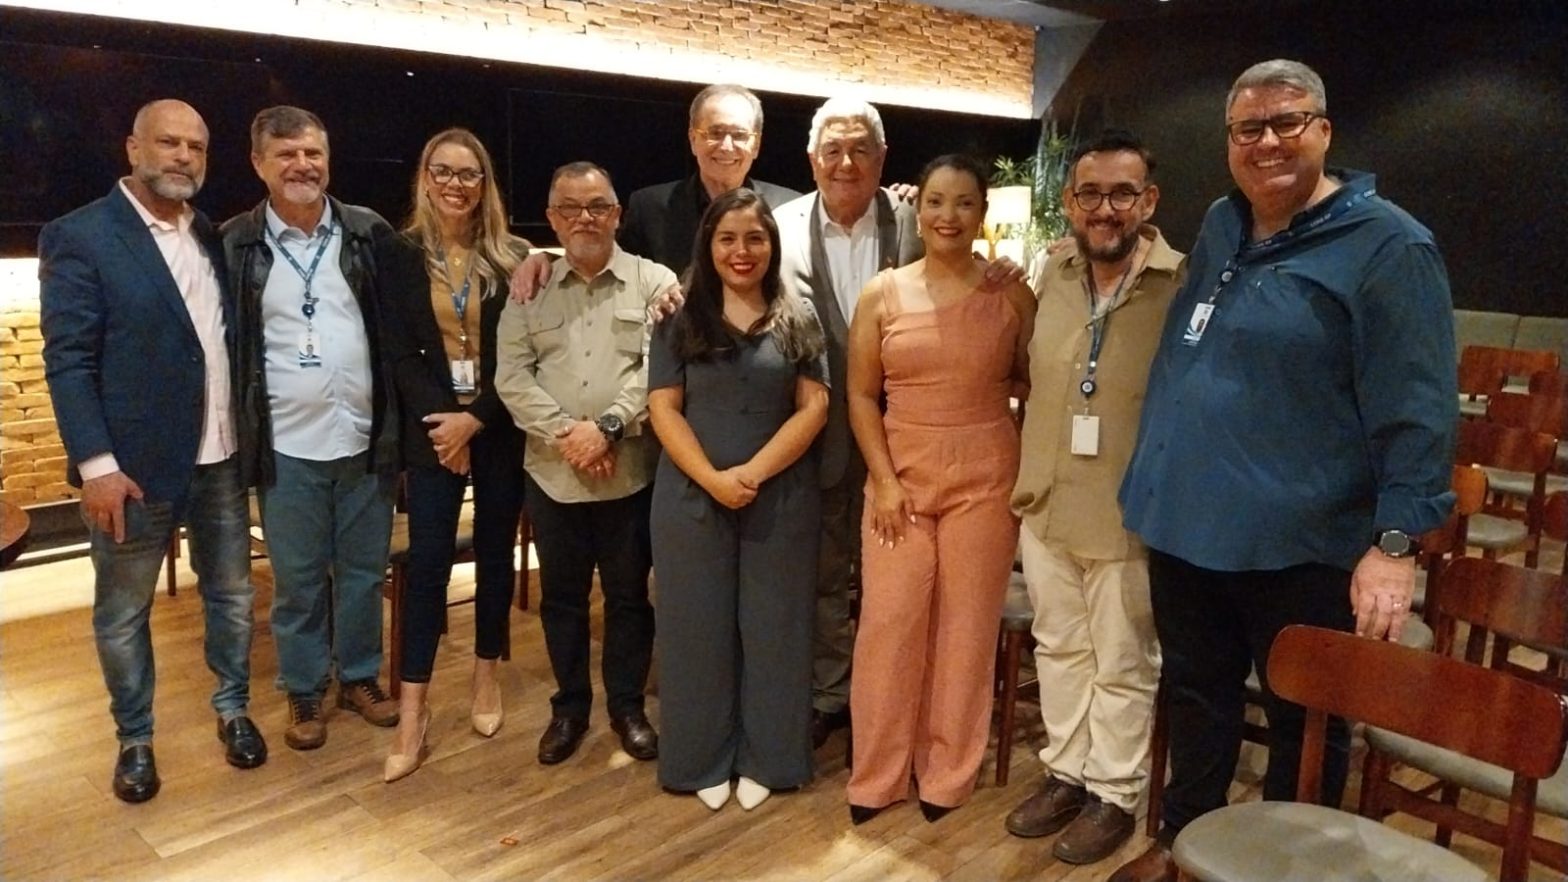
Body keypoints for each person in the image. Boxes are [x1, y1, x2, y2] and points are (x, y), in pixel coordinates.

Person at [1109, 60, 1456, 882]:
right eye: (1248, 129)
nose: (1266, 142)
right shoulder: (1224, 223)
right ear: (1229, 142)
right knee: (1197, 700)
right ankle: (1185, 849)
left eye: (1286, 122)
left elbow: (1418, 407)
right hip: (1187, 526)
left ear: (1324, 131)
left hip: (1301, 543)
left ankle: (1288, 867)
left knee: (1305, 726)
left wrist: (1395, 546)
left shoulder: (1389, 246)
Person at [38, 99, 264, 803]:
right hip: (132, 471)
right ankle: (134, 738)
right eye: (169, 142)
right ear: (133, 147)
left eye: (196, 146)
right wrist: (97, 467)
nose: (184, 157)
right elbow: (69, 360)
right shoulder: (80, 235)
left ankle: (233, 708)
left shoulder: (213, 235)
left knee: (232, 596)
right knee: (122, 613)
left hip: (221, 458)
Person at [1004, 130, 1182, 866]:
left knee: (1124, 660)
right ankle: (1067, 774)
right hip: (1047, 500)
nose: (1104, 210)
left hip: (1126, 509)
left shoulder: (1181, 284)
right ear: (1070, 202)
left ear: (1149, 200)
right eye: (1089, 194)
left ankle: (1114, 792)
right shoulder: (1053, 272)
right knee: (1060, 648)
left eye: (1121, 194)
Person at [844, 154, 1037, 823]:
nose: (947, 215)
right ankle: (877, 775)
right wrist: (883, 480)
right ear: (917, 209)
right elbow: (861, 396)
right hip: (899, 474)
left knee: (967, 629)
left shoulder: (1012, 294)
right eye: (935, 201)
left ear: (981, 213)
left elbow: (1033, 378)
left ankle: (947, 775)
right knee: (889, 625)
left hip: (985, 473)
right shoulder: (882, 293)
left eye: (963, 203)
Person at [223, 105, 404, 752]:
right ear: (258, 164)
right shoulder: (236, 244)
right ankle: (303, 686)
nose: (302, 165)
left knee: (363, 573)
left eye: (313, 153)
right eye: (286, 154)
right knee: (298, 581)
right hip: (286, 445)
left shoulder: (367, 232)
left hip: (365, 437)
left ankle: (358, 676)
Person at [647, 188, 829, 812]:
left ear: (772, 246)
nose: (741, 251)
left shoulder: (799, 315)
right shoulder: (678, 315)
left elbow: (815, 407)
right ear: (709, 244)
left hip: (780, 498)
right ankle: (699, 759)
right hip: (691, 498)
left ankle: (769, 759)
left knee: (777, 629)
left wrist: (751, 473)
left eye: (755, 238)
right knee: (694, 629)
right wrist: (713, 478)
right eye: (727, 238)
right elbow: (663, 409)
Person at [495, 162, 671, 767]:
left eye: (597, 206)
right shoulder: (530, 287)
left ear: (617, 214)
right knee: (562, 601)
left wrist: (609, 428)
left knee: (629, 600)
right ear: (552, 219)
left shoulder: (653, 282)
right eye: (569, 208)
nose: (584, 218)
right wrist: (571, 436)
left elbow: (657, 368)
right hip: (554, 476)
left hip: (630, 474)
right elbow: (512, 376)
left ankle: (627, 707)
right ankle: (569, 708)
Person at [771, 98, 922, 750]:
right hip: (817, 436)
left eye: (861, 148)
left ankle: (887, 698)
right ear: (812, 159)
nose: (846, 163)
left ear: (882, 158)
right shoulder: (778, 226)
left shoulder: (917, 220)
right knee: (825, 576)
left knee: (896, 578)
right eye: (832, 150)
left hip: (904, 436)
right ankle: (831, 695)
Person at [379, 128, 529, 782]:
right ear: (425, 176)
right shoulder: (398, 252)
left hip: (496, 425)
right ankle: (413, 712)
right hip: (434, 429)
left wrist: (476, 421)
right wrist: (449, 426)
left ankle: (485, 675)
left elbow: (521, 355)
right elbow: (398, 352)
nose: (455, 184)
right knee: (429, 564)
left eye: (469, 174)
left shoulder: (515, 258)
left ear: (484, 183)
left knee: (495, 557)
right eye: (442, 171)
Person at [507, 83, 799, 299]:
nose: (726, 146)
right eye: (715, 133)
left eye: (739, 135)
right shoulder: (650, 207)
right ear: (692, 139)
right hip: (675, 354)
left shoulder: (790, 209)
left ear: (756, 145)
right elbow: (606, 265)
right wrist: (545, 260)